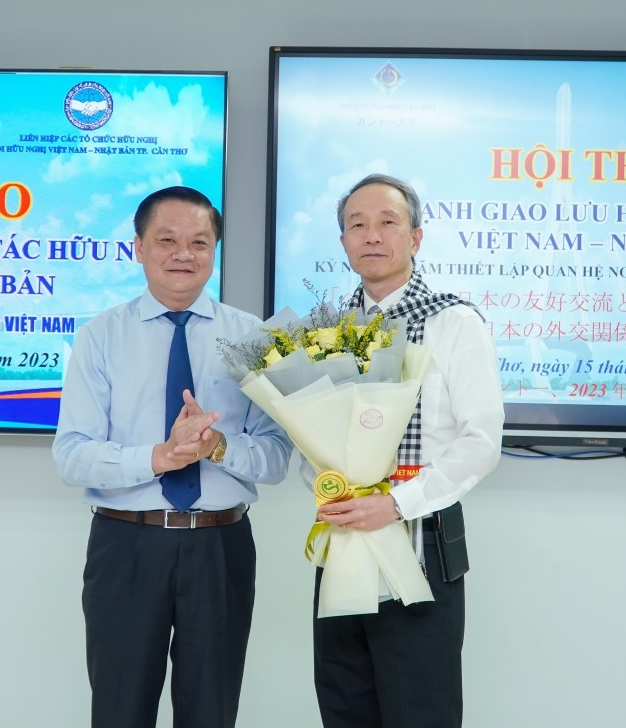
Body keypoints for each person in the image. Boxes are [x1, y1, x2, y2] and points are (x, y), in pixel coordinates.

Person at [53, 185, 292, 728]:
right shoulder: (100, 337)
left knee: (211, 712)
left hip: (220, 546)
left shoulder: (253, 338)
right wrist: (158, 457)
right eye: (167, 240)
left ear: (214, 252)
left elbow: (278, 458)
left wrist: (219, 447)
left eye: (199, 242)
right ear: (139, 247)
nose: (183, 254)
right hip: (126, 546)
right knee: (119, 710)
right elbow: (71, 455)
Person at [307, 173, 504, 728]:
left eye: (388, 223)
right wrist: (331, 489)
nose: (372, 236)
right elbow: (312, 441)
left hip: (424, 547)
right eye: (357, 225)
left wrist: (393, 504)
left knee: (421, 711)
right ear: (343, 242)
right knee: (344, 707)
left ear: (415, 237)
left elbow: (482, 441)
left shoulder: (455, 322)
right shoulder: (325, 332)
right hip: (342, 545)